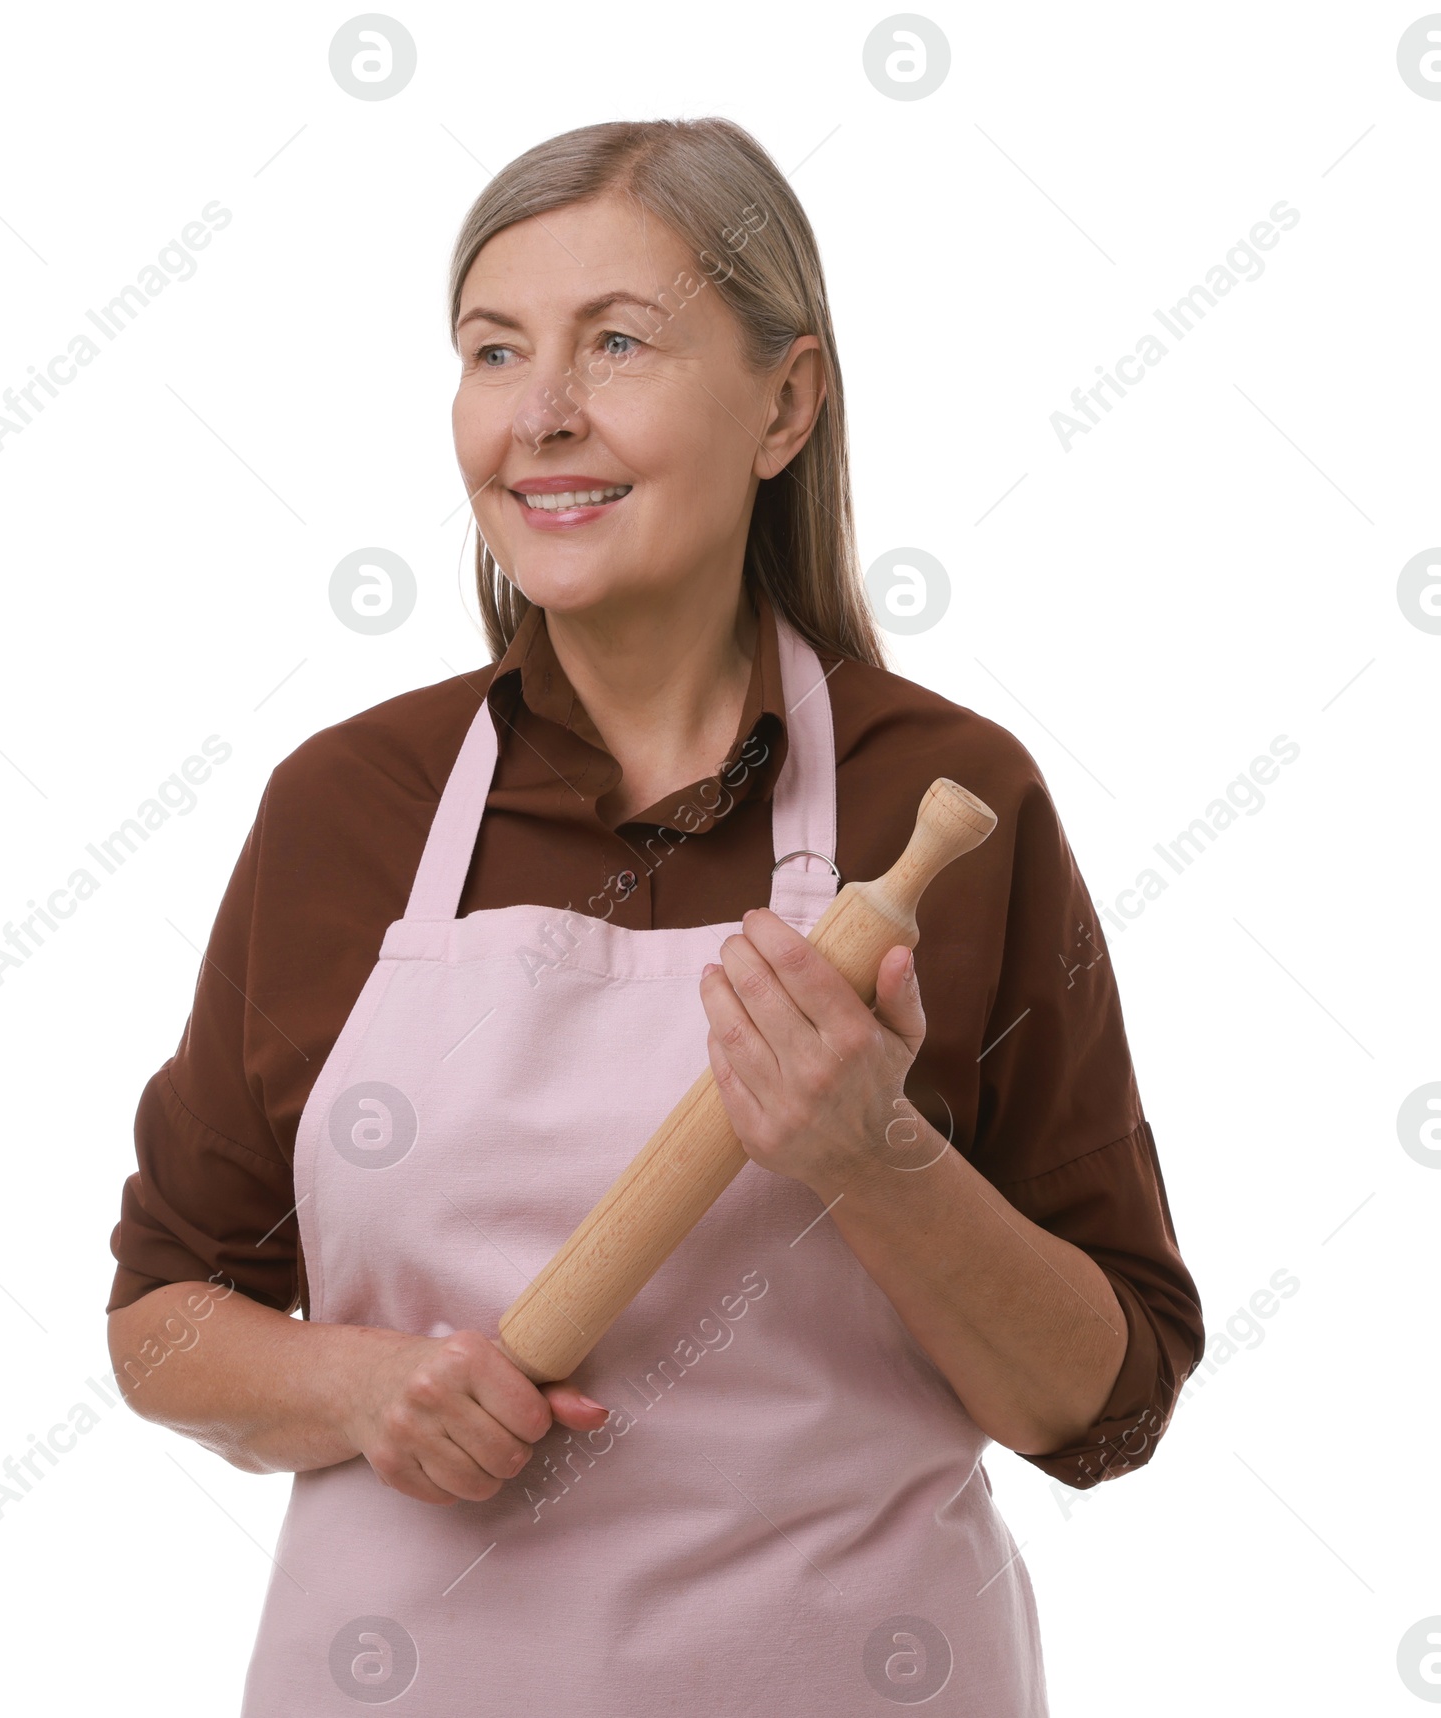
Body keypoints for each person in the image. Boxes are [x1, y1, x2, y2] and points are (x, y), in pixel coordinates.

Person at [106, 117, 1203, 1716]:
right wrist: (360, 1384)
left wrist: (868, 1152)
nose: (540, 415)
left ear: (785, 402)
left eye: (615, 343)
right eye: (494, 351)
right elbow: (164, 1318)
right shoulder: (349, 806)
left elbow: (1104, 1411)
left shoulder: (950, 805)